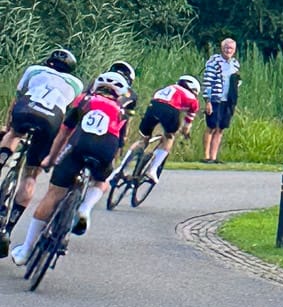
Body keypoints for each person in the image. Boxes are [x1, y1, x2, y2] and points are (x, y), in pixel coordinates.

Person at [9, 72, 130, 265]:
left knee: (54, 193)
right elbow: (119, 145)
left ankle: (25, 250)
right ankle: (85, 210)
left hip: (78, 146)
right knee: (101, 181)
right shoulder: (122, 110)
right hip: (105, 149)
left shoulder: (84, 99)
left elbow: (64, 132)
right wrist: (106, 168)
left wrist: (51, 158)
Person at [0, 49, 85, 239]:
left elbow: (17, 100)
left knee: (14, 133)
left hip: (27, 107)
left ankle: (3, 155)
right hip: (51, 119)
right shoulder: (77, 84)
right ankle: (8, 228)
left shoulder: (34, 70)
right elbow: (70, 118)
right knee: (30, 177)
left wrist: (9, 127)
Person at [131, 76, 200, 182]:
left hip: (153, 105)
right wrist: (185, 132)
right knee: (169, 137)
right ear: (194, 90)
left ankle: (122, 166)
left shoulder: (168, 88)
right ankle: (152, 170)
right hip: (170, 110)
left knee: (144, 138)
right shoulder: (193, 99)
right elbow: (187, 123)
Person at [200, 38, 240, 162]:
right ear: (222, 48)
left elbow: (236, 81)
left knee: (221, 128)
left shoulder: (235, 64)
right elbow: (207, 82)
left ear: (234, 50)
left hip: (228, 100)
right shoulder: (214, 62)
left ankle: (214, 156)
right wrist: (207, 101)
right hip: (215, 99)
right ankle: (206, 156)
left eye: (231, 48)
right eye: (226, 48)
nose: (228, 50)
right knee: (211, 126)